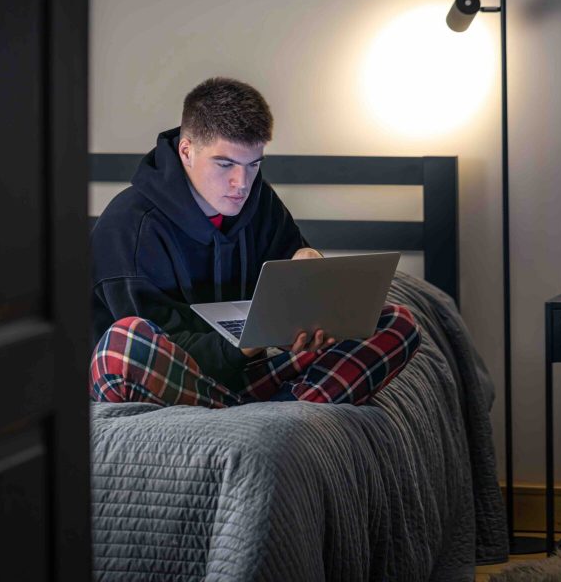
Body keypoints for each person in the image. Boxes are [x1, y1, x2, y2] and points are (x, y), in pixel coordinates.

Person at [89, 77, 421, 407]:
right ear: (186, 151)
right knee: (123, 344)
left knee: (396, 323)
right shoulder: (128, 226)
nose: (241, 183)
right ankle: (281, 406)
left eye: (253, 165)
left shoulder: (259, 202)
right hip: (170, 376)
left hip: (249, 374)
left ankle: (261, 407)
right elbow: (161, 347)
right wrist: (245, 342)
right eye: (225, 164)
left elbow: (293, 282)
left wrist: (308, 263)